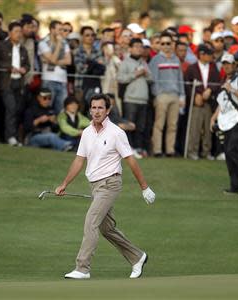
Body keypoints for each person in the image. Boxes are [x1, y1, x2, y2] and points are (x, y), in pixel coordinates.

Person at [54, 93, 155, 280]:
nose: (96, 111)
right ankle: (137, 257)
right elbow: (79, 161)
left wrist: (144, 187)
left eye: (100, 107)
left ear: (107, 110)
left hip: (110, 184)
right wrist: (64, 184)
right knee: (107, 229)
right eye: (93, 107)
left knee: (91, 221)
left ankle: (82, 268)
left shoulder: (116, 133)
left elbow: (131, 161)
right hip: (95, 186)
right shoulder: (86, 133)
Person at [210, 53, 238, 195]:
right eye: (224, 63)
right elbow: (221, 103)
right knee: (228, 154)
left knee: (232, 151)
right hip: (226, 123)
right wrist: (213, 118)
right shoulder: (226, 81)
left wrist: (232, 90)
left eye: (229, 63)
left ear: (235, 64)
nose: (226, 66)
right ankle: (235, 185)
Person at [149, 32, 185, 157]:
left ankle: (170, 150)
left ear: (172, 44)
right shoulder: (156, 59)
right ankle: (157, 150)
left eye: (168, 43)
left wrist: (182, 96)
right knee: (159, 124)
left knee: (172, 125)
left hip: (175, 95)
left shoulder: (176, 59)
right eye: (162, 43)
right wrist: (157, 94)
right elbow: (152, 79)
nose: (165, 46)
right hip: (162, 96)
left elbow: (180, 78)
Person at [0, 21, 30, 146]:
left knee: (16, 110)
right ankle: (10, 137)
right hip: (6, 83)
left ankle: (14, 136)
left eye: (20, 31)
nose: (19, 34)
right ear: (10, 33)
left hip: (19, 82)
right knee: (10, 108)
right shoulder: (2, 46)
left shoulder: (23, 48)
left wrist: (24, 69)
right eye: (16, 31)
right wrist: (9, 67)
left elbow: (28, 64)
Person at [185, 44, 220, 160]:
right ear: (201, 55)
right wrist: (195, 96)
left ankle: (206, 151)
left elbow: (217, 83)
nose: (211, 56)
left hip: (209, 102)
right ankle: (192, 151)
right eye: (209, 54)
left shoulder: (214, 67)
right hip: (196, 103)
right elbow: (187, 85)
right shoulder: (191, 68)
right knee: (195, 127)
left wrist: (210, 89)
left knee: (207, 128)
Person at [117, 38, 151, 155]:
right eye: (136, 46)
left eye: (140, 47)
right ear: (130, 48)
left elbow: (151, 79)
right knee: (130, 126)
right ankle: (128, 148)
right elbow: (121, 78)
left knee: (141, 127)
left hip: (143, 99)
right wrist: (135, 74)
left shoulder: (143, 62)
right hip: (130, 99)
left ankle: (138, 148)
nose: (138, 49)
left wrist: (145, 74)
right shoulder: (125, 62)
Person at [38, 20, 71, 114]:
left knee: (61, 110)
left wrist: (52, 61)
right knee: (47, 108)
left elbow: (68, 61)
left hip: (62, 80)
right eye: (59, 29)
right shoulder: (43, 42)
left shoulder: (64, 42)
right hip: (49, 80)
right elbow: (53, 59)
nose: (61, 31)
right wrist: (58, 45)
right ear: (52, 30)